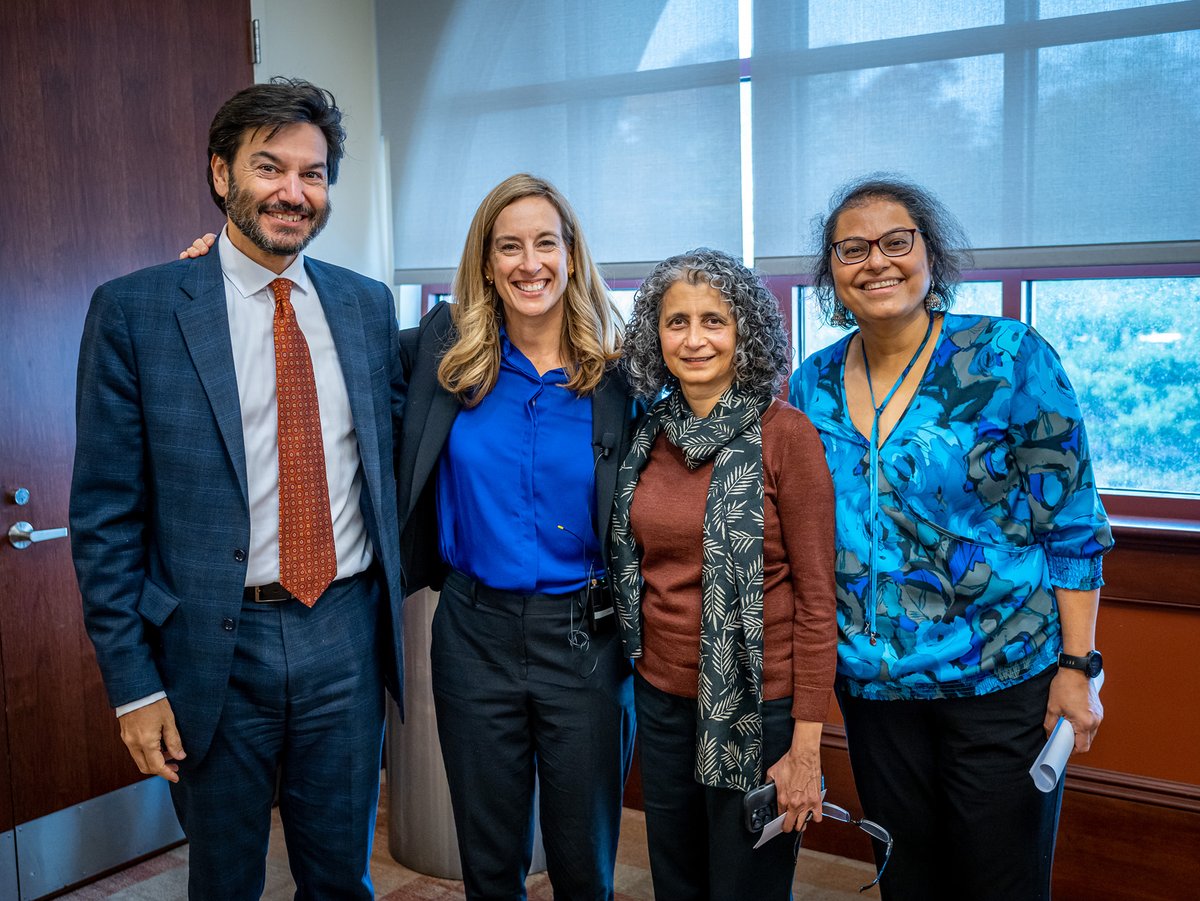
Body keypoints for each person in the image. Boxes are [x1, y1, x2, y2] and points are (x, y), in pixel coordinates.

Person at [70, 78, 406, 900]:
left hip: (345, 633)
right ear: (222, 174)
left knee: (342, 878)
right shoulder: (138, 311)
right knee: (223, 879)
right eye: (269, 167)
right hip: (211, 645)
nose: (293, 191)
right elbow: (105, 517)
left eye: (313, 173)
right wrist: (134, 684)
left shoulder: (366, 307)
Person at [788, 176, 1113, 901]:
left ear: (930, 253)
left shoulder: (1008, 356)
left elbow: (1072, 521)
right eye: (852, 249)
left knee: (999, 883)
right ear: (831, 273)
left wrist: (1076, 663)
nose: (876, 261)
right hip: (873, 691)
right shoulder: (811, 384)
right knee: (908, 881)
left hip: (1000, 678)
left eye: (896, 241)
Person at [395, 173, 636, 900]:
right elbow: (328, 342)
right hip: (474, 633)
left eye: (545, 244)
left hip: (585, 640)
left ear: (572, 254)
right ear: (486, 261)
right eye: (509, 247)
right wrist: (231, 273)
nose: (529, 263)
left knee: (582, 865)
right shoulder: (442, 352)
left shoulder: (622, 375)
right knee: (490, 862)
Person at [609, 248, 838, 901]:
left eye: (714, 320)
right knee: (676, 882)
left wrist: (806, 748)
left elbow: (818, 601)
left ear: (746, 332)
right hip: (660, 698)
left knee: (747, 888)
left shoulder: (786, 434)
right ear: (656, 335)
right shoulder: (647, 434)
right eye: (676, 321)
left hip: (760, 708)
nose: (694, 339)